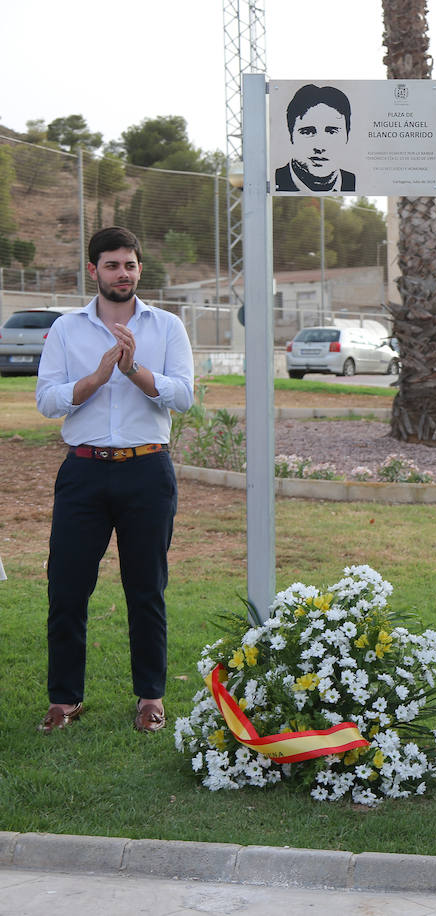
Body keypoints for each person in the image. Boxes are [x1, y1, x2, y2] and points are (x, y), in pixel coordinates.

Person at [35, 226, 194, 734]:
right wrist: (96, 379)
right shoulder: (66, 330)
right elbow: (47, 401)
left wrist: (133, 371)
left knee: (146, 588)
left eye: (129, 264)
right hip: (83, 470)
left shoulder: (167, 325)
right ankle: (64, 700)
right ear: (93, 270)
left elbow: (184, 396)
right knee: (66, 588)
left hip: (147, 469)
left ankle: (150, 698)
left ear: (139, 268)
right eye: (111, 265)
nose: (122, 273)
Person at [274, 84, 357, 193]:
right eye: (307, 132)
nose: (320, 147)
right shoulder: (275, 180)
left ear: (347, 135)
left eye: (332, 132)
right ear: (291, 135)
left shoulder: (356, 183)